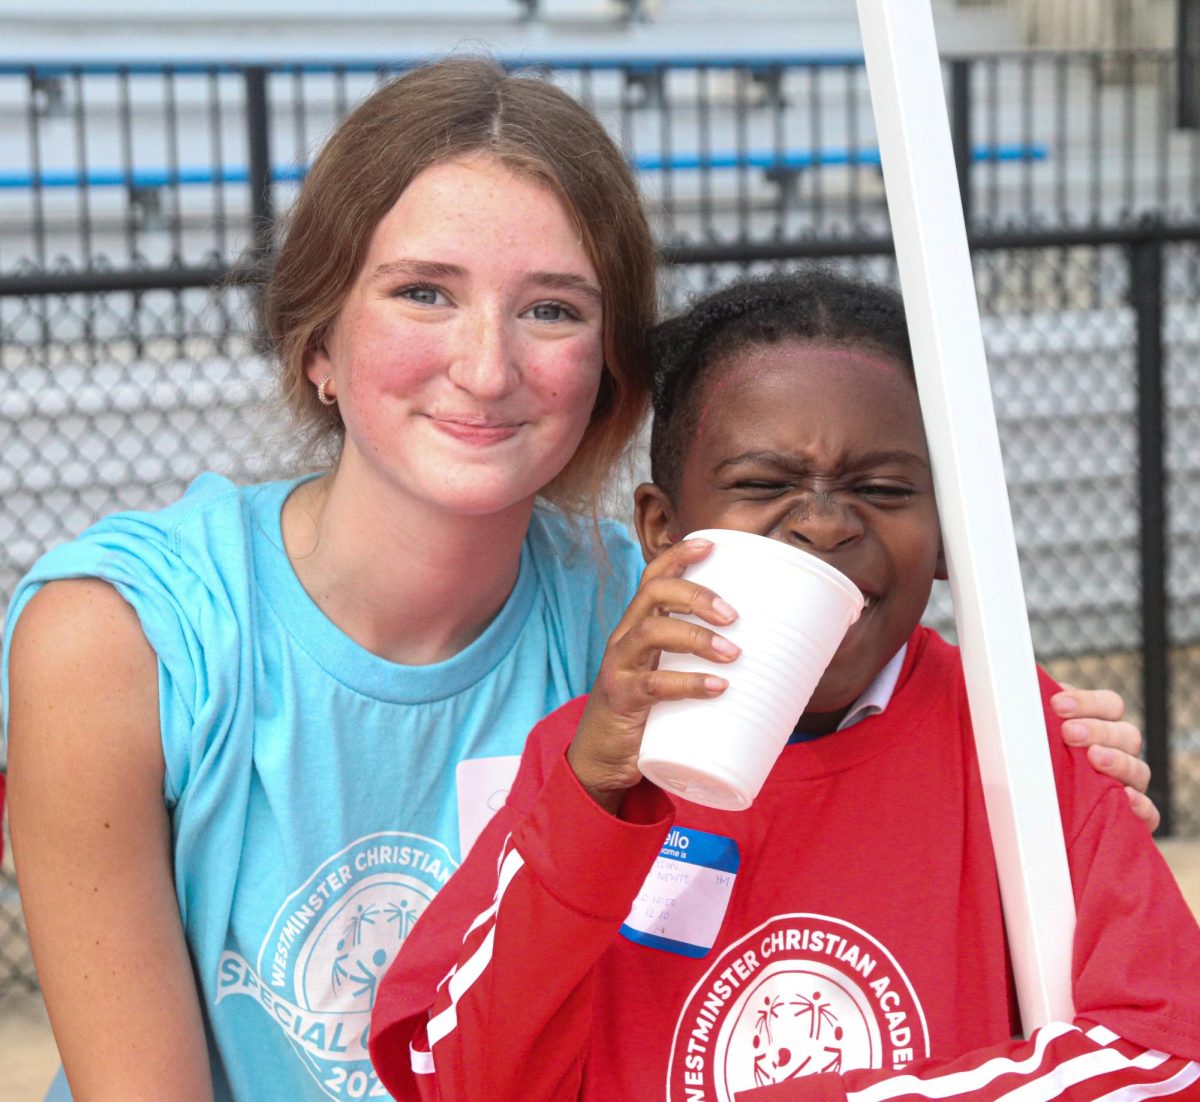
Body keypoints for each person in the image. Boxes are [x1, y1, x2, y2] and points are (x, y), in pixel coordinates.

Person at [0, 58, 1153, 1102]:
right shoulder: (117, 640)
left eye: (551, 308)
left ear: (609, 373)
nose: (486, 364)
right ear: (317, 338)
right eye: (423, 291)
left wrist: (1052, 778)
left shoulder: (680, 619)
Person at [368, 269, 1200, 1102]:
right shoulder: (588, 763)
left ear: (951, 539)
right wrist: (591, 805)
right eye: (765, 486)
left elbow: (1169, 1056)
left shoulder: (1020, 736)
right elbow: (460, 1082)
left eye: (883, 490)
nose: (825, 524)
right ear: (664, 531)